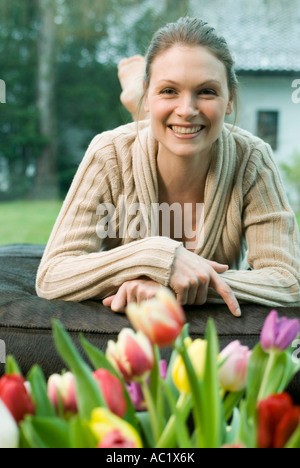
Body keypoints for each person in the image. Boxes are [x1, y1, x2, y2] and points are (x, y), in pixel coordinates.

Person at [36, 17, 300, 316]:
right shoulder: (108, 152)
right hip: (140, 123)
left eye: (207, 91)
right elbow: (52, 275)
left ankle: (143, 97)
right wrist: (156, 257)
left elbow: (289, 282)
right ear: (150, 94)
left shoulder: (252, 159)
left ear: (230, 100)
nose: (187, 109)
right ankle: (138, 99)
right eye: (168, 90)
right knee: (173, 126)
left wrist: (173, 287)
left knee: (176, 125)